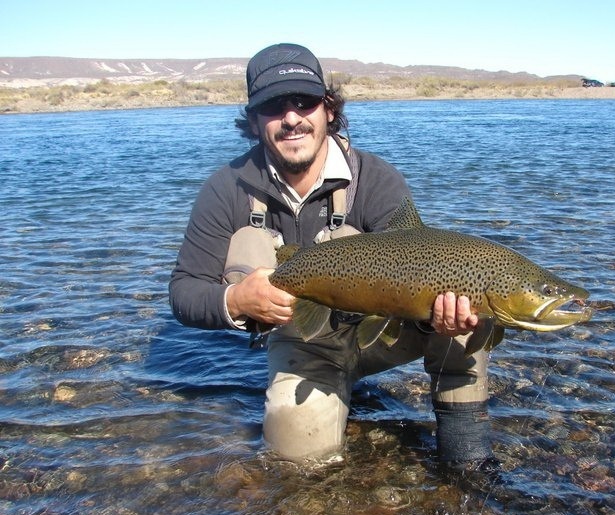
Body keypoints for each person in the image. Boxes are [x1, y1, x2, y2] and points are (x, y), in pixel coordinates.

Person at [169, 43, 493, 473]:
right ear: (252, 120)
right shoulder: (225, 189)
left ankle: (468, 465)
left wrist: (433, 318)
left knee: (473, 302)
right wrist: (236, 301)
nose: (291, 118)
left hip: (379, 336)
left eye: (304, 101)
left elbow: (421, 265)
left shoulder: (376, 179)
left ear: (328, 109)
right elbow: (184, 290)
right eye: (272, 106)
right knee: (300, 467)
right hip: (303, 345)